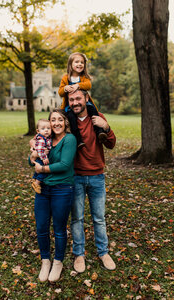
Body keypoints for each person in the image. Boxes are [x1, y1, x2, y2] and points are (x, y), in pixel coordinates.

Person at [67, 89, 116, 273]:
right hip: (76, 177)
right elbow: (49, 134)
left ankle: (103, 252)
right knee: (77, 218)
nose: (75, 102)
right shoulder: (67, 120)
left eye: (78, 98)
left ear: (86, 98)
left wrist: (107, 127)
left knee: (99, 218)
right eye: (71, 99)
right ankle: (79, 254)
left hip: (97, 176)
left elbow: (111, 144)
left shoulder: (98, 117)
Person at [29, 109, 77, 282]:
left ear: (65, 122)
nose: (56, 123)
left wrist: (42, 169)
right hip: (43, 191)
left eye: (60, 120)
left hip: (62, 189)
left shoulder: (69, 139)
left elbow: (64, 164)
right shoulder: (45, 139)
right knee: (41, 227)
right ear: (49, 123)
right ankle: (45, 261)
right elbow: (30, 161)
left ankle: (58, 262)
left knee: (59, 228)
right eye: (53, 120)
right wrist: (33, 153)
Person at [58, 52, 107, 148]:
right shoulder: (66, 78)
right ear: (70, 64)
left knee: (93, 111)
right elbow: (60, 92)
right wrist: (65, 88)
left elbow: (88, 85)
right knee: (71, 118)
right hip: (70, 105)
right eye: (77, 62)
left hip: (85, 104)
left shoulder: (84, 78)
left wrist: (78, 85)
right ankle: (78, 140)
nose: (80, 64)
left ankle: (99, 132)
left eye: (82, 62)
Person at [30, 119, 52, 194]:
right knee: (43, 172)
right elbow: (39, 149)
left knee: (39, 171)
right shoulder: (41, 139)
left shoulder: (45, 137)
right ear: (38, 131)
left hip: (40, 158)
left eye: (48, 128)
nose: (46, 130)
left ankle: (34, 179)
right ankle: (37, 183)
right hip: (42, 158)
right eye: (43, 129)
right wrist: (44, 158)